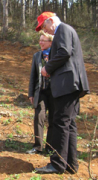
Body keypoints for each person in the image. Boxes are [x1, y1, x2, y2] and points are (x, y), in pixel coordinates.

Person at [34, 12, 90, 174]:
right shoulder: (65, 30)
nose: (45, 31)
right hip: (71, 84)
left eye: (44, 27)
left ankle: (57, 164)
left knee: (59, 123)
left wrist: (47, 67)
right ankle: (70, 164)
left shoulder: (63, 29)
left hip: (67, 84)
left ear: (50, 21)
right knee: (69, 124)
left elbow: (64, 52)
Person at [27, 30, 54, 155]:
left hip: (55, 92)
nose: (41, 42)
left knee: (53, 119)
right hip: (41, 92)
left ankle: (50, 147)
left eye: (43, 40)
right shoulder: (37, 56)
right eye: (40, 40)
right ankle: (38, 146)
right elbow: (33, 75)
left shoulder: (56, 55)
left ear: (50, 42)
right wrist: (31, 93)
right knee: (39, 117)